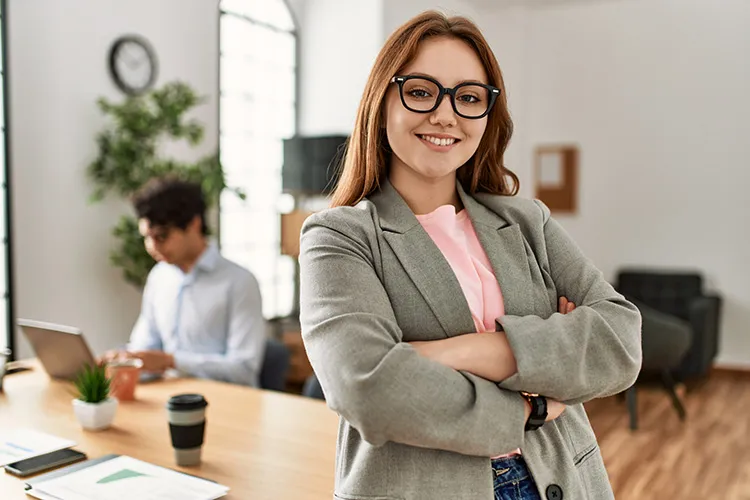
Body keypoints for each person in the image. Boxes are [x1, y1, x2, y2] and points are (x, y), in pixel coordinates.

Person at [299, 11, 642, 500]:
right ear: (383, 99)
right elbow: (367, 387)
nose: (445, 115)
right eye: (420, 91)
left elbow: (620, 343)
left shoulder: (529, 222)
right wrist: (532, 404)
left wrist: (452, 353)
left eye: (468, 98)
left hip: (562, 476)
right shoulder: (338, 237)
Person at [103, 176, 266, 387]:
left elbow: (244, 369)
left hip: (228, 404)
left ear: (194, 224)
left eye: (161, 236)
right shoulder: (159, 277)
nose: (151, 247)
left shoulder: (239, 282)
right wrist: (124, 359)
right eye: (146, 237)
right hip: (169, 398)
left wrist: (171, 361)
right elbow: (144, 345)